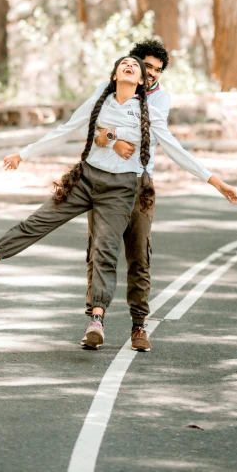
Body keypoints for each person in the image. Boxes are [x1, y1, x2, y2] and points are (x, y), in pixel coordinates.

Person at [0, 56, 237, 350]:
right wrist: (23, 154)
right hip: (85, 179)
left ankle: (96, 320)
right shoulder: (100, 101)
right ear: (114, 74)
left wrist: (215, 181)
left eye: (134, 67)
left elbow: (176, 149)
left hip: (121, 188)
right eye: (124, 63)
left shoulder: (148, 112)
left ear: (140, 81)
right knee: (37, 222)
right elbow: (66, 129)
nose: (129, 66)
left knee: (104, 250)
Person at [84, 38, 171, 352]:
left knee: (139, 257)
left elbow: (142, 134)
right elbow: (90, 129)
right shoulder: (107, 91)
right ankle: (96, 320)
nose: (150, 74)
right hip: (103, 183)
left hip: (139, 186)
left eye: (157, 71)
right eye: (146, 66)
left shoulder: (160, 100)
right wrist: (109, 136)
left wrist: (111, 134)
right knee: (99, 253)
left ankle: (139, 326)